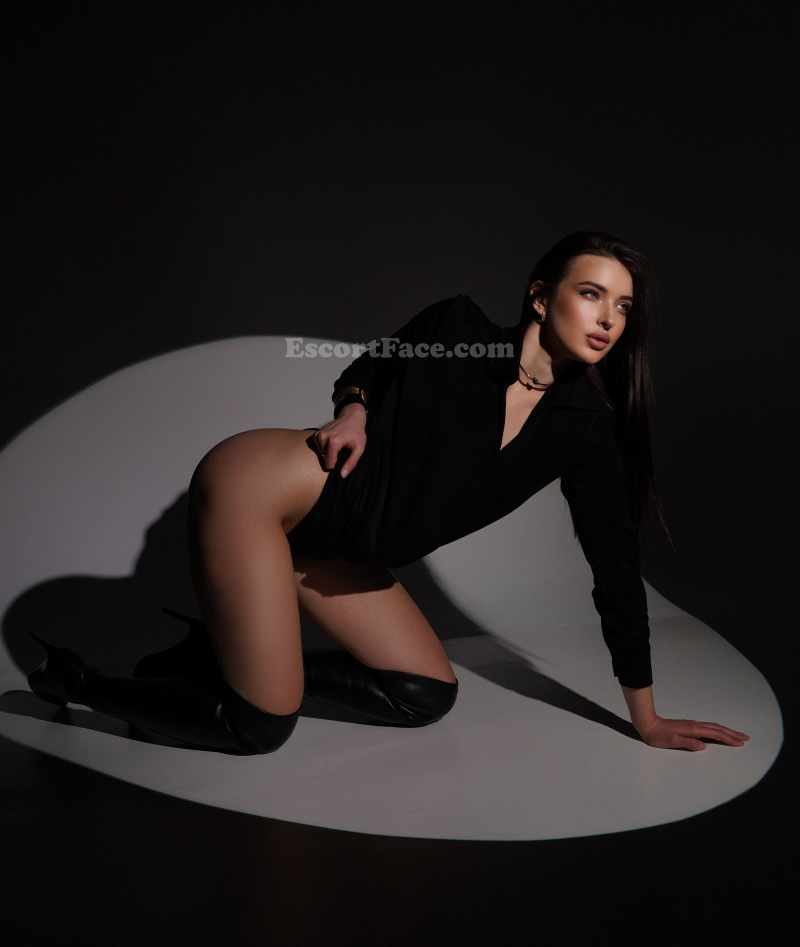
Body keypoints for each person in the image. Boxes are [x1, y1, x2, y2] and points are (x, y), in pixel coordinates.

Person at [28, 230, 749, 756]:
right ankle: (78, 680)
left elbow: (614, 569)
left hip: (330, 549)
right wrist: (353, 412)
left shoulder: (584, 430)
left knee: (423, 694)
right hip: (261, 489)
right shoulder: (461, 329)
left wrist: (647, 718)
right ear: (541, 296)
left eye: (622, 306)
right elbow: (375, 365)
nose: (608, 319)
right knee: (260, 726)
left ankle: (222, 659)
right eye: (591, 294)